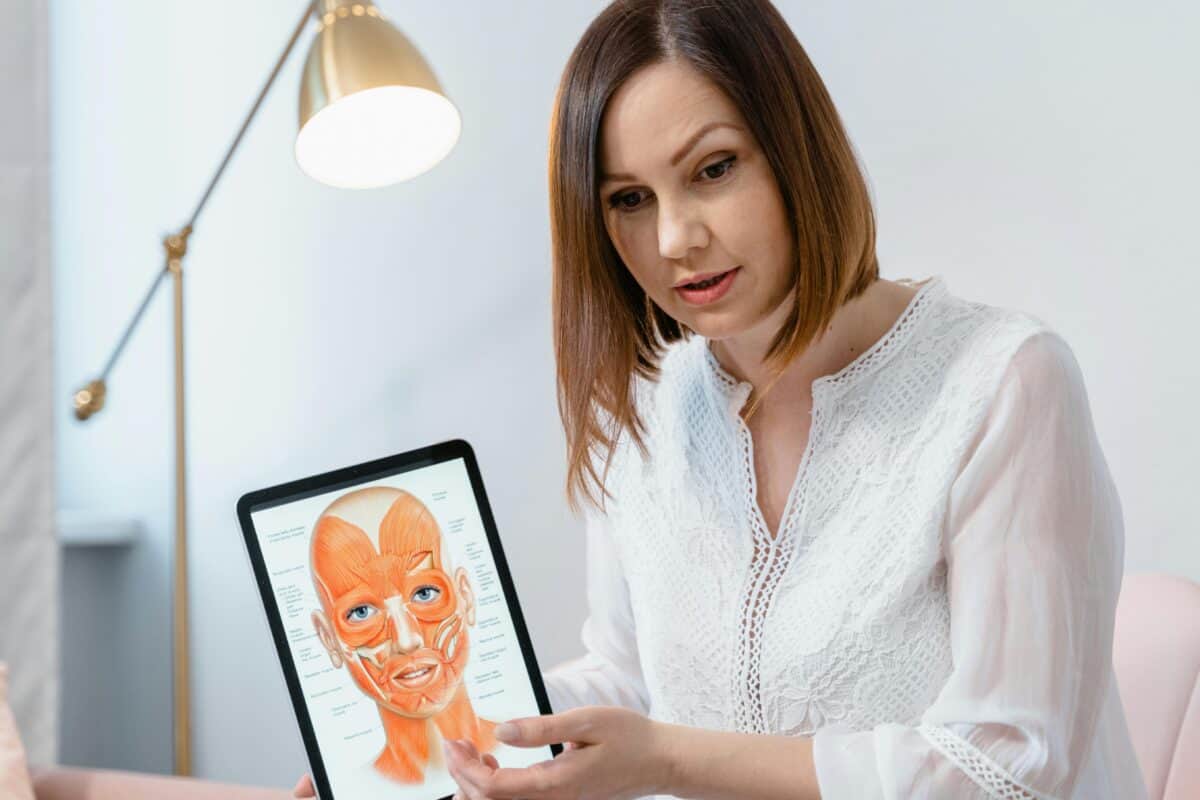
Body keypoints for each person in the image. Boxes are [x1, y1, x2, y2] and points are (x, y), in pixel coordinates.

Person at [298, 0, 1148, 797]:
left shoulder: (1002, 382)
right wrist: (433, 740)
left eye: (713, 169)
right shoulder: (645, 413)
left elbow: (1007, 764)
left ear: (795, 149)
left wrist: (665, 757)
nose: (675, 239)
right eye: (629, 200)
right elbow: (632, 676)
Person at [307, 487, 501, 786]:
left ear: (465, 596)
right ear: (330, 639)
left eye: (425, 593)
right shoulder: (356, 789)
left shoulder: (532, 752)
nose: (407, 640)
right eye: (361, 612)